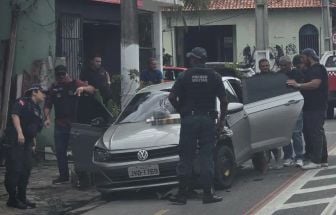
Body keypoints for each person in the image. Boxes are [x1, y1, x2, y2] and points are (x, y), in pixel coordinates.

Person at [168, 47, 227, 204]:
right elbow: (224, 101)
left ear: (195, 59)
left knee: (185, 156)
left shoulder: (184, 76)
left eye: (191, 58)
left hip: (189, 119)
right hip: (208, 120)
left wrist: (182, 111)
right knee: (206, 157)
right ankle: (208, 194)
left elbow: (172, 97)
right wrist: (221, 122)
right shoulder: (215, 76)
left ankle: (181, 195)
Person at [44, 65, 95, 184]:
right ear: (56, 75)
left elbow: (92, 89)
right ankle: (63, 175)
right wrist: (46, 118)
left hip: (74, 124)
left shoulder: (75, 83)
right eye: (59, 75)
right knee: (60, 151)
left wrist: (83, 89)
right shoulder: (54, 88)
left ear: (67, 73)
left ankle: (82, 176)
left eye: (63, 74)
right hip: (60, 123)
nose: (61, 77)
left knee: (78, 151)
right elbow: (47, 105)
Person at [4, 84, 46, 209]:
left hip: (27, 142)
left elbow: (34, 128)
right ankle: (12, 199)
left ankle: (22, 197)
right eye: (42, 92)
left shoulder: (37, 109)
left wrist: (34, 142)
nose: (44, 95)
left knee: (26, 169)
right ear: (34, 92)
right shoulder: (22, 101)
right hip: (16, 139)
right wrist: (19, 132)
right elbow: (15, 115)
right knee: (15, 169)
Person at [287, 48, 328, 169]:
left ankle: (316, 160)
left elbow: (315, 84)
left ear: (308, 57)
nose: (302, 60)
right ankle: (322, 159)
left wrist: (298, 85)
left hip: (316, 106)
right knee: (316, 132)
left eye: (303, 58)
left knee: (315, 133)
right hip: (310, 106)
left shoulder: (317, 69)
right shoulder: (310, 70)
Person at [279, 55, 305, 167]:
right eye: (282, 65)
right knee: (285, 133)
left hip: (296, 106)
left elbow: (300, 86)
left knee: (296, 133)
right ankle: (288, 156)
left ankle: (299, 156)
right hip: (283, 107)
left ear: (290, 64)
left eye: (286, 65)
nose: (284, 67)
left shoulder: (297, 73)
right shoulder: (278, 76)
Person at [257, 58, 283, 169]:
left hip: (274, 110)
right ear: (259, 67)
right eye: (263, 66)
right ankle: (266, 161)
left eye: (267, 65)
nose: (265, 68)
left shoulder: (275, 76)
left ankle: (278, 160)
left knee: (274, 136)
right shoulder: (256, 78)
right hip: (262, 111)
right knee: (264, 137)